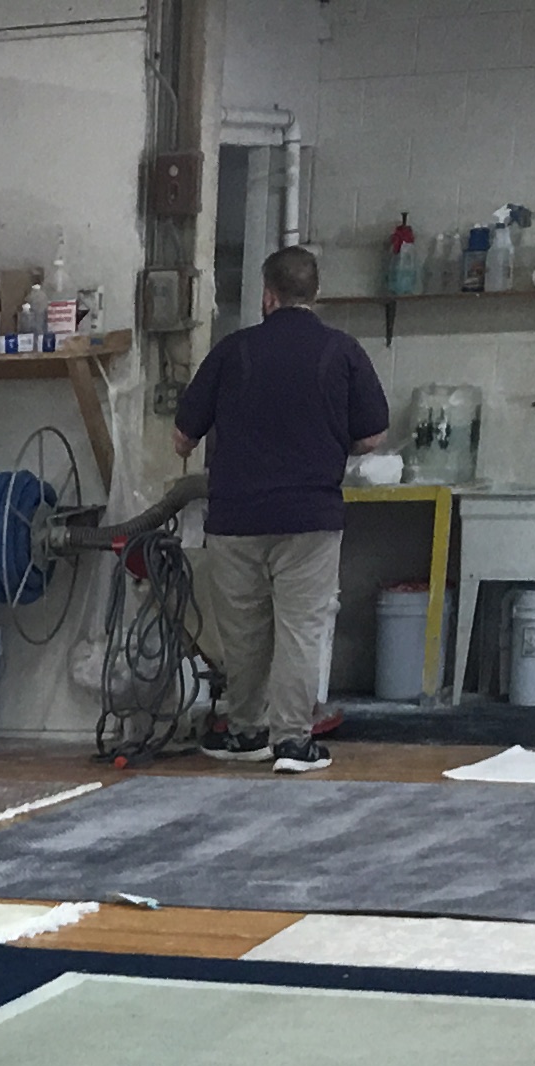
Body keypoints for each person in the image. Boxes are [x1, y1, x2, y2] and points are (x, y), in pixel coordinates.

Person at [171, 245, 390, 772]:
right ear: (315, 293)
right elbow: (373, 436)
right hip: (309, 519)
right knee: (300, 629)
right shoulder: (342, 351)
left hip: (236, 519)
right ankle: (292, 742)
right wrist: (329, 442)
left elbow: (182, 436)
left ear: (267, 295)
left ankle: (246, 732)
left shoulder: (232, 351)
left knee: (243, 633)